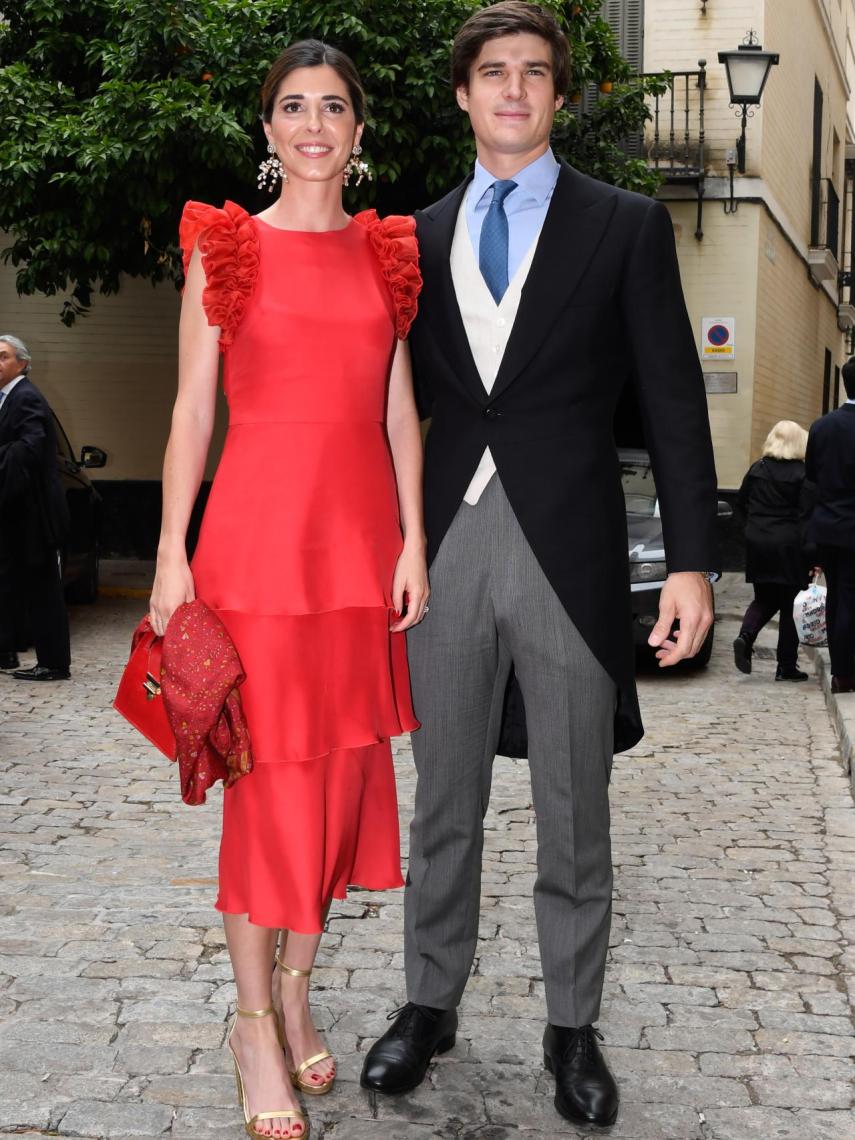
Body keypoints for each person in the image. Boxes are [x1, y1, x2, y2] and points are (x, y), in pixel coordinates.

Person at [360, 2, 717, 1129]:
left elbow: (671, 398)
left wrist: (697, 561)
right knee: (445, 801)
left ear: (560, 96)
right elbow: (377, 404)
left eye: (535, 73)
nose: (513, 89)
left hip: (570, 548)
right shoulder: (407, 238)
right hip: (445, 548)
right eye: (493, 73)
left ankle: (573, 1028)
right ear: (463, 94)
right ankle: (429, 1005)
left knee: (576, 807)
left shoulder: (623, 227)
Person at [149, 41, 426, 1140]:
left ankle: (302, 989)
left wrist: (413, 542)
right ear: (267, 130)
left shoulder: (387, 252)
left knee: (345, 782)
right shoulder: (225, 248)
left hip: (360, 555)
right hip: (256, 551)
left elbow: (399, 409)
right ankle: (254, 1023)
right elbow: (188, 415)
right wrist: (171, 551)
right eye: (294, 107)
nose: (315, 124)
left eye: (335, 108)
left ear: (360, 134)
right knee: (269, 792)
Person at [0, 335, 71, 681]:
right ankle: (9, 653)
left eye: (3, 357)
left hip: (35, 514)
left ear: (22, 364)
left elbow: (28, 449)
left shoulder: (25, 397)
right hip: (17, 513)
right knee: (13, 583)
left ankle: (54, 664)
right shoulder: (8, 398)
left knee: (43, 589)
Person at [733, 421, 813, 682]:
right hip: (790, 544)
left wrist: (751, 528)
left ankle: (746, 635)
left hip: (759, 541)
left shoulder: (757, 468)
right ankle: (786, 666)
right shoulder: (803, 474)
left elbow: (740, 503)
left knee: (764, 596)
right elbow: (807, 516)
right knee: (791, 605)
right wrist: (814, 555)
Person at [805, 358, 855, 693]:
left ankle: (842, 672)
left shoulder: (822, 426)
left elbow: (811, 476)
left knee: (838, 596)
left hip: (829, 527)